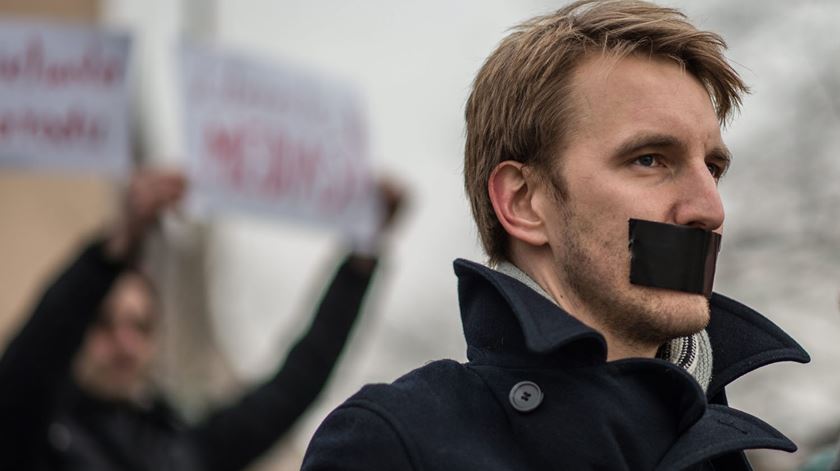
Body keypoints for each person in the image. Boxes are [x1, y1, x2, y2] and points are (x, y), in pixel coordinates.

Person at [301, 1, 810, 470]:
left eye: (713, 168)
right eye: (650, 159)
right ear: (524, 203)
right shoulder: (401, 446)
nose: (710, 209)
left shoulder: (728, 455)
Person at [0, 169, 404, 471]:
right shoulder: (29, 433)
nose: (125, 344)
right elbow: (33, 358)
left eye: (140, 327)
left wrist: (361, 255)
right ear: (75, 333)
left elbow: (292, 388)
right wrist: (115, 246)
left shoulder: (178, 446)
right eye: (104, 325)